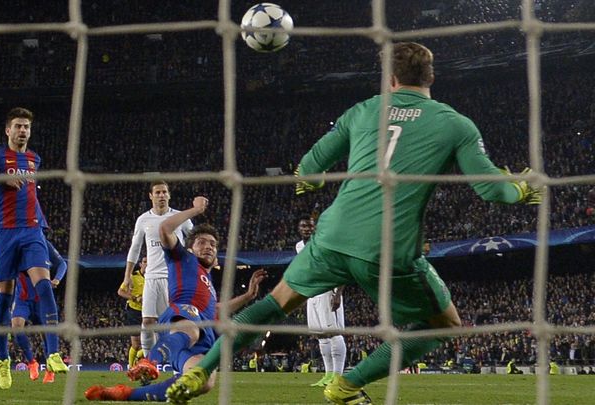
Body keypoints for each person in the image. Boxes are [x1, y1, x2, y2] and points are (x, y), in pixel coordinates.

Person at [166, 42, 543, 404]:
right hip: (387, 247)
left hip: (330, 236)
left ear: (390, 79)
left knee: (275, 303)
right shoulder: (455, 124)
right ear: (430, 77)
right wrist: (523, 190)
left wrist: (309, 182)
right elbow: (491, 190)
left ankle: (202, 371)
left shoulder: (363, 110)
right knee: (442, 325)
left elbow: (310, 169)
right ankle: (347, 385)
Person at [84, 196, 266, 401]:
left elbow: (216, 309)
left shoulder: (207, 281)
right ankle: (149, 362)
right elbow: (164, 229)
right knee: (191, 327)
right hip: (181, 316)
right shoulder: (182, 258)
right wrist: (195, 210)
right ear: (190, 248)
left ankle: (125, 394)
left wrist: (248, 296)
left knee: (203, 381)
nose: (208, 246)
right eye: (202, 242)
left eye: (213, 244)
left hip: (200, 334)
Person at [0, 107, 68, 390]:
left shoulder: (35, 159)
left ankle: (54, 353)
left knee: (44, 285)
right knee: (2, 300)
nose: (23, 131)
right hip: (3, 233)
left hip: (32, 230)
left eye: (26, 127)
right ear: (8, 130)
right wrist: (1, 178)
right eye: (18, 126)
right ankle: (2, 359)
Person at [123, 181, 194, 358]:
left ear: (169, 195)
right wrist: (127, 276)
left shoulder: (180, 217)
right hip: (152, 277)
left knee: (174, 323)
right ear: (151, 196)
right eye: (158, 192)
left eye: (164, 192)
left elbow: (195, 239)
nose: (161, 195)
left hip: (174, 277)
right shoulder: (143, 220)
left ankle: (179, 361)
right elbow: (135, 247)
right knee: (147, 322)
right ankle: (148, 362)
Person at [297, 215, 347, 388]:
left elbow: (342, 268)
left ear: (315, 227)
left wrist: (338, 293)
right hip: (312, 294)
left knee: (334, 333)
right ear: (299, 228)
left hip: (328, 291)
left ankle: (338, 376)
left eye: (310, 226)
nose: (306, 229)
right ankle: (327, 374)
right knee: (321, 336)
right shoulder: (298, 247)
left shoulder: (326, 243)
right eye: (303, 226)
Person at [11, 239, 68, 384]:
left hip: (41, 300)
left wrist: (57, 279)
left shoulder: (43, 243)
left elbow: (62, 263)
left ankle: (50, 370)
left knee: (46, 333)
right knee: (16, 326)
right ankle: (32, 362)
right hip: (22, 298)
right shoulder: (14, 243)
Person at [118, 256, 147, 369]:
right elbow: (120, 291)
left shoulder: (154, 277)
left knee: (153, 340)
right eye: (144, 262)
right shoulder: (133, 277)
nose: (147, 264)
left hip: (149, 313)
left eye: (149, 262)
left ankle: (137, 361)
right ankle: (131, 366)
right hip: (134, 311)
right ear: (140, 264)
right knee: (136, 344)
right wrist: (135, 298)